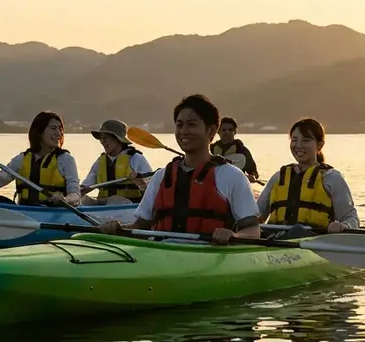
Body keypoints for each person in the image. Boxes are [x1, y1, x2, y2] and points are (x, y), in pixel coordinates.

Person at [98, 94, 261, 243]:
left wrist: (235, 236)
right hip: (162, 253)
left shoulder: (231, 176)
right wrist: (118, 228)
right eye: (179, 125)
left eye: (191, 125)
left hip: (210, 255)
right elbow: (140, 226)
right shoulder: (161, 176)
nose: (183, 131)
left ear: (210, 130)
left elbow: (253, 230)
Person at [256, 117, 359, 233]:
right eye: (294, 140)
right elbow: (255, 215)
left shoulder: (332, 178)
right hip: (276, 238)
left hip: (316, 239)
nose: (298, 145)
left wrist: (343, 226)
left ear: (319, 145)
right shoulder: (278, 177)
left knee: (297, 231)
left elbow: (351, 218)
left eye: (306, 140)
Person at [0, 111, 81, 206]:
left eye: (60, 129)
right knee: (0, 200)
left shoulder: (66, 160)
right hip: (26, 211)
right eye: (53, 128)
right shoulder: (21, 159)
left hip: (54, 211)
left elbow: (75, 195)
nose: (59, 133)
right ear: (39, 132)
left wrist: (65, 200)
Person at [81, 119, 154, 203]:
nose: (102, 141)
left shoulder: (136, 159)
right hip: (104, 206)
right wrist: (77, 192)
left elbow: (152, 190)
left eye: (105, 138)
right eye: (101, 138)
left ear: (117, 139)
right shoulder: (100, 162)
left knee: (116, 200)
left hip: (130, 206)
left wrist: (141, 182)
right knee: (83, 200)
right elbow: (86, 186)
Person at [210, 116, 259, 181]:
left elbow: (254, 173)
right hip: (216, 182)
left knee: (241, 157)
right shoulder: (211, 149)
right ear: (218, 132)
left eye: (230, 130)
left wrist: (252, 177)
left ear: (235, 132)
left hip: (235, 183)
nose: (227, 132)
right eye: (224, 130)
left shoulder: (242, 150)